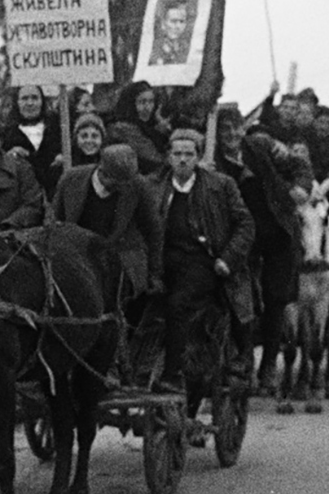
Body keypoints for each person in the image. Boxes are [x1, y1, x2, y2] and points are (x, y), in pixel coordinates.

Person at [148, 128, 255, 395]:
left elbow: (245, 223)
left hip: (203, 262)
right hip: (162, 260)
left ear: (198, 157)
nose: (182, 159)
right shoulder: (153, 186)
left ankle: (172, 373)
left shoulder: (220, 185)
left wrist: (228, 259)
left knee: (177, 304)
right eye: (177, 154)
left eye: (188, 154)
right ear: (168, 157)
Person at [213, 105, 308, 393]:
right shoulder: (212, 160)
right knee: (243, 300)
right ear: (217, 134)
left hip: (277, 233)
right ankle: (243, 362)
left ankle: (268, 366)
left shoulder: (261, 146)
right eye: (224, 129)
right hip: (242, 240)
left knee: (276, 298)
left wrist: (300, 188)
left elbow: (299, 165)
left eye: (235, 127)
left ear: (244, 128)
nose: (231, 134)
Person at [51, 143, 162, 313]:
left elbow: (153, 230)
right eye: (117, 183)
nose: (123, 187)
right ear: (102, 171)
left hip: (120, 256)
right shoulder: (71, 179)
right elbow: (54, 221)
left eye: (127, 182)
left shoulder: (139, 185)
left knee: (120, 299)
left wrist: (154, 273)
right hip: (77, 255)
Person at [1, 84, 64, 197]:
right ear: (17, 102)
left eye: (34, 98)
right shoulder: (7, 134)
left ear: (42, 101)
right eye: (24, 98)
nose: (30, 103)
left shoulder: (57, 128)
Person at [107, 79, 172, 176]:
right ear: (131, 104)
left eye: (151, 102)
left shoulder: (150, 127)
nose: (147, 107)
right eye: (142, 102)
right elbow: (153, 159)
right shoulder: (123, 129)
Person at [147, 0, 194, 65]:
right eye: (173, 21)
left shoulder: (189, 49)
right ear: (163, 24)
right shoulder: (153, 50)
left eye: (182, 21)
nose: (178, 26)